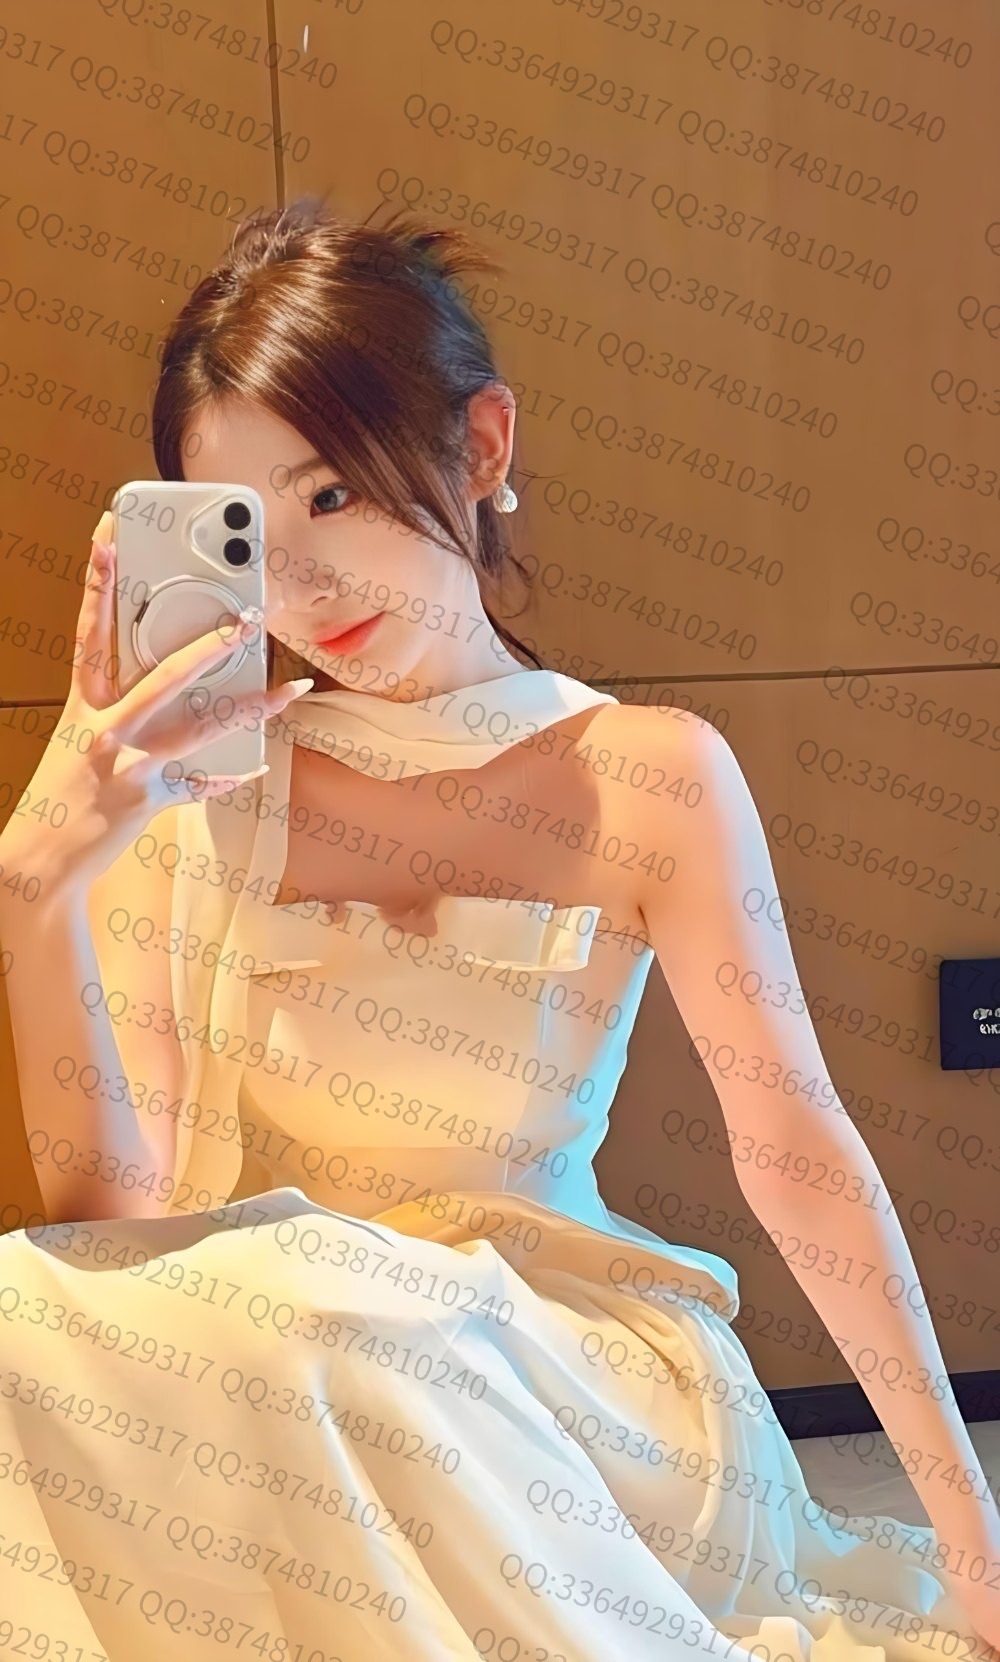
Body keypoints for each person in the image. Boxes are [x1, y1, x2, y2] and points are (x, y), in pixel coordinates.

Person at [0, 198, 996, 1662]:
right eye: (249, 532)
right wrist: (40, 885)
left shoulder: (649, 776)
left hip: (582, 1386)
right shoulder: (192, 782)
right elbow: (118, 1237)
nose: (303, 586)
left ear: (480, 447)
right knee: (34, 1306)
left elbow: (799, 1154)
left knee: (333, 1322)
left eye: (332, 493)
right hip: (298, 1364)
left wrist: (974, 1535)